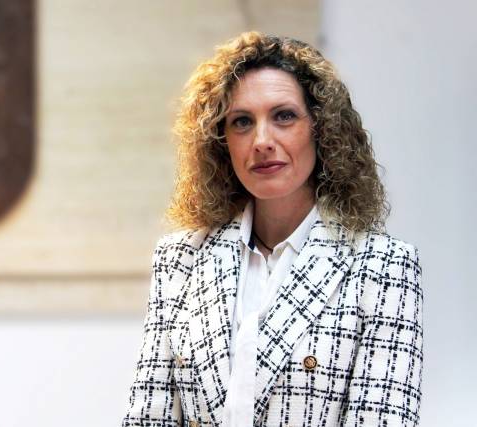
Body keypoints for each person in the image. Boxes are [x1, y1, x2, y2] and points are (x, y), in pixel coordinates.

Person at [121, 31, 423, 427]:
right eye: (242, 122)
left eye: (283, 116)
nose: (262, 141)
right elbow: (148, 417)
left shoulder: (383, 267)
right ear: (221, 142)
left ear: (322, 130)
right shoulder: (180, 259)